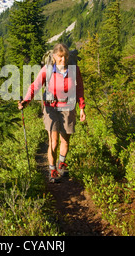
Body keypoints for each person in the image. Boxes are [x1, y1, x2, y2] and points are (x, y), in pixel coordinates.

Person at [18, 43, 86, 183]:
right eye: (60, 57)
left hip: (68, 106)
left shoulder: (74, 70)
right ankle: (52, 170)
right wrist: (26, 101)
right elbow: (35, 86)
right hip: (51, 107)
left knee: (65, 140)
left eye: (66, 56)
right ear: (54, 57)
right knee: (53, 141)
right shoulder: (47, 70)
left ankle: (61, 163)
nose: (63, 60)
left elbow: (79, 89)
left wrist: (82, 108)